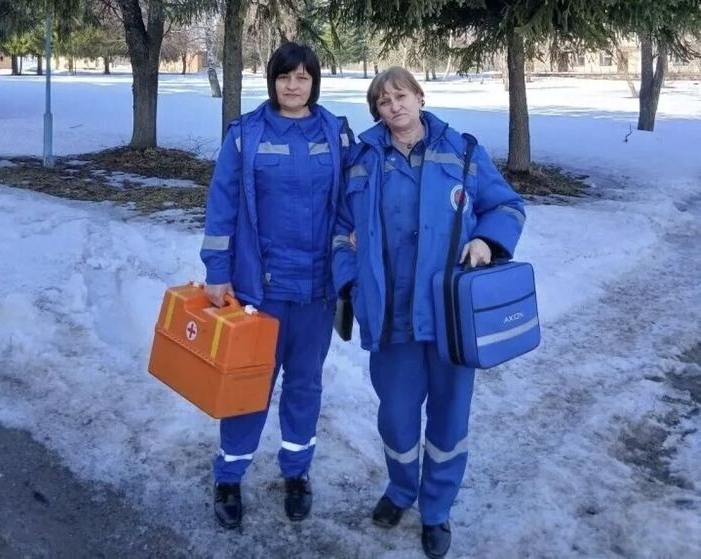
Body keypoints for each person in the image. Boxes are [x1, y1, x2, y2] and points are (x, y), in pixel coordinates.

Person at [332, 67, 525, 558]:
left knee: (449, 419)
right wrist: (351, 278)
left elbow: (506, 206)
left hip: (449, 319)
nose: (394, 106)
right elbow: (339, 229)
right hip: (391, 318)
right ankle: (401, 490)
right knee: (397, 418)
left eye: (401, 96)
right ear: (377, 111)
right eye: (383, 101)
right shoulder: (362, 160)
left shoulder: (462, 152)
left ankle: (436, 509)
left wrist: (486, 240)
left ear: (420, 97)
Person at [199, 42, 352, 530]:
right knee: (248, 388)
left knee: (304, 386)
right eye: (285, 76)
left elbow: (353, 201)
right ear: (272, 81)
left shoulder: (336, 133)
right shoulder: (245, 135)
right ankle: (229, 477)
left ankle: (296, 473)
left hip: (316, 293)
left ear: (314, 83)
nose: (293, 85)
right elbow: (221, 206)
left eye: (303, 77)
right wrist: (217, 270)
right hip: (257, 295)